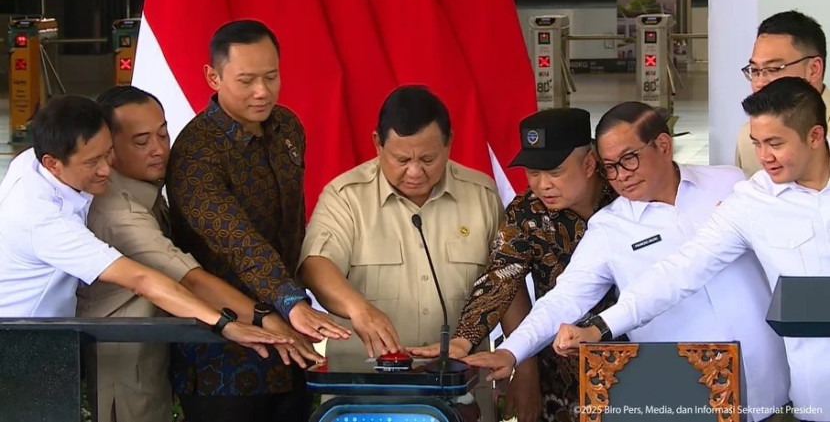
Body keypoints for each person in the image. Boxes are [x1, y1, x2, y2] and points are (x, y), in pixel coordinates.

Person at [463, 102, 790, 420]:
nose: (620, 176)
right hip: (686, 393)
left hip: (775, 381)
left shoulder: (728, 183)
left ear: (663, 145)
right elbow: (563, 300)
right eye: (611, 166)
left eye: (629, 160)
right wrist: (513, 351)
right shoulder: (610, 227)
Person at [555, 77, 830, 421]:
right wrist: (601, 326)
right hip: (813, 399)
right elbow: (680, 270)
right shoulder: (751, 200)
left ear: (815, 136)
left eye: (775, 143)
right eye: (756, 143)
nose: (763, 157)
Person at [76, 86, 324, 422]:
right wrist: (266, 316)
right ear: (108, 149)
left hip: (157, 348)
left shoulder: (149, 192)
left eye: (163, 134)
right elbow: (189, 279)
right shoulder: (119, 212)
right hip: (127, 359)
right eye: (141, 141)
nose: (159, 149)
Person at [0, 96, 291, 354]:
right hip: (22, 347)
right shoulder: (45, 222)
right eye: (92, 163)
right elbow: (141, 280)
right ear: (52, 164)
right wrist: (224, 323)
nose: (106, 169)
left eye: (107, 153)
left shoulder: (31, 160)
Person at [165, 20, 349, 422]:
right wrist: (291, 302)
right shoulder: (195, 153)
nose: (262, 91)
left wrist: (298, 306)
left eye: (271, 76)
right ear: (212, 76)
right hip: (223, 354)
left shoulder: (288, 128)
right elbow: (238, 241)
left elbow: (296, 225)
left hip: (293, 344)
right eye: (246, 80)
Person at [297, 85, 503, 421]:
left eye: (428, 159)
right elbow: (315, 266)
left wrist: (525, 369)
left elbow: (505, 285)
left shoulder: (481, 196)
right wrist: (358, 309)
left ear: (449, 143)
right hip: (363, 399)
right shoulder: (346, 197)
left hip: (459, 399)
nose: (415, 172)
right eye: (402, 159)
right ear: (377, 143)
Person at [407, 108, 621, 422]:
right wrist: (465, 337)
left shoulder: (626, 196)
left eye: (555, 172)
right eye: (533, 173)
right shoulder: (528, 212)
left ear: (589, 164)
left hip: (634, 357)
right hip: (560, 368)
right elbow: (502, 274)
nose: (543, 184)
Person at [736, 10, 829, 177]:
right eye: (755, 70)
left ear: (814, 69)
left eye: (772, 69)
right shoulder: (747, 137)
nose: (760, 83)